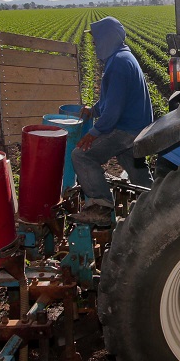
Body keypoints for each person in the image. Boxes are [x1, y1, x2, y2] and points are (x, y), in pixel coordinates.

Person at [72, 16, 154, 224]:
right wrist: (94, 109)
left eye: (97, 39)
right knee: (134, 166)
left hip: (126, 128)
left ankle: (101, 206)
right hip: (138, 126)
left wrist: (94, 133)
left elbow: (114, 110)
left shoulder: (117, 64)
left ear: (108, 38)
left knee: (82, 157)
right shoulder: (122, 57)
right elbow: (111, 100)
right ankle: (155, 204)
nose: (95, 43)